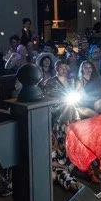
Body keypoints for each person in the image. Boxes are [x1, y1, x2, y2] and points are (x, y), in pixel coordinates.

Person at [36, 61, 81, 192]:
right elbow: (48, 98)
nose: (64, 70)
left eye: (65, 68)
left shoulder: (70, 81)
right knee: (56, 174)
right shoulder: (50, 82)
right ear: (56, 69)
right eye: (61, 68)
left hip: (68, 111)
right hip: (55, 112)